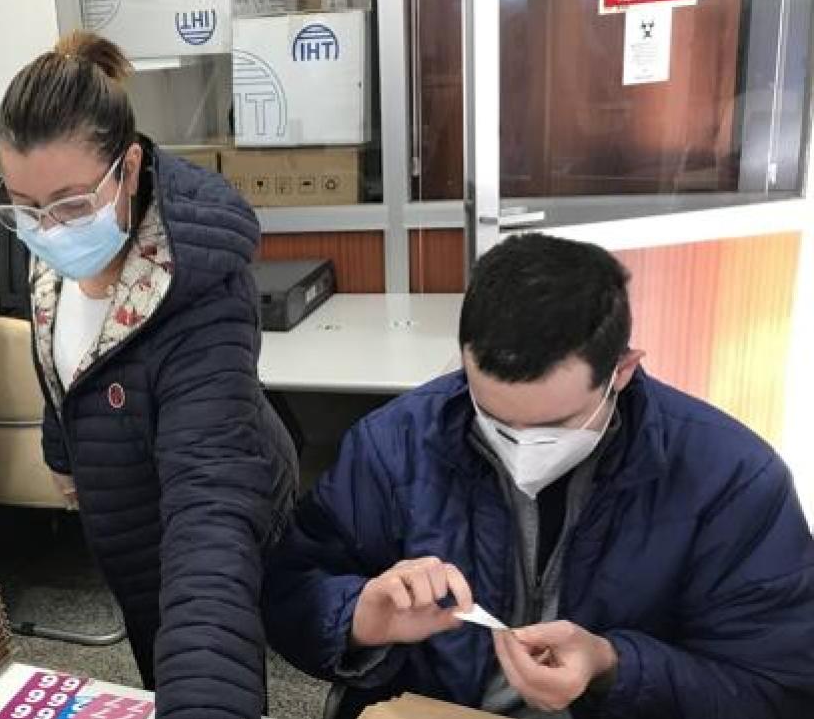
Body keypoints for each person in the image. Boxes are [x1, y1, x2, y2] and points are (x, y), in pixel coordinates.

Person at [263, 234, 814, 718]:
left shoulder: (732, 479)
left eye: (553, 424)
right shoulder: (394, 444)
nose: (521, 445)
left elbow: (779, 689)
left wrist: (611, 668)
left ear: (622, 370)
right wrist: (361, 619)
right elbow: (288, 592)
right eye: (492, 416)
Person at [0, 31, 298, 718]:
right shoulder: (54, 236)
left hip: (211, 497)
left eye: (70, 205)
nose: (46, 227)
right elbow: (63, 359)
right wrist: (62, 452)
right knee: (154, 640)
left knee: (201, 632)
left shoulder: (199, 289)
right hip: (120, 502)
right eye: (23, 207)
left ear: (129, 169)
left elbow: (208, 519)